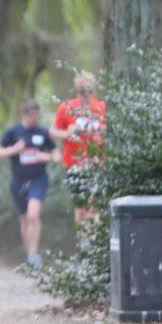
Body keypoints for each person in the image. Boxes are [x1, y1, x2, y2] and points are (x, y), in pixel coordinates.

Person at [0, 99, 58, 268]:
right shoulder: (13, 131)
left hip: (38, 179)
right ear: (23, 114)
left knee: (33, 215)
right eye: (32, 116)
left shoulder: (43, 132)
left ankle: (33, 256)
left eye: (37, 115)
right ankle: (29, 253)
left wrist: (47, 157)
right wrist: (14, 149)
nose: (35, 119)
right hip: (18, 181)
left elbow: (57, 155)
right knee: (24, 219)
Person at [50, 72, 106, 225]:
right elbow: (53, 132)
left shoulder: (100, 107)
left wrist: (102, 135)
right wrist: (67, 133)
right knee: (80, 207)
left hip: (97, 163)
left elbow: (109, 132)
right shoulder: (66, 107)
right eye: (82, 90)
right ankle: (83, 238)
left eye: (89, 90)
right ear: (76, 90)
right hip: (74, 163)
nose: (86, 94)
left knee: (95, 205)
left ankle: (95, 237)